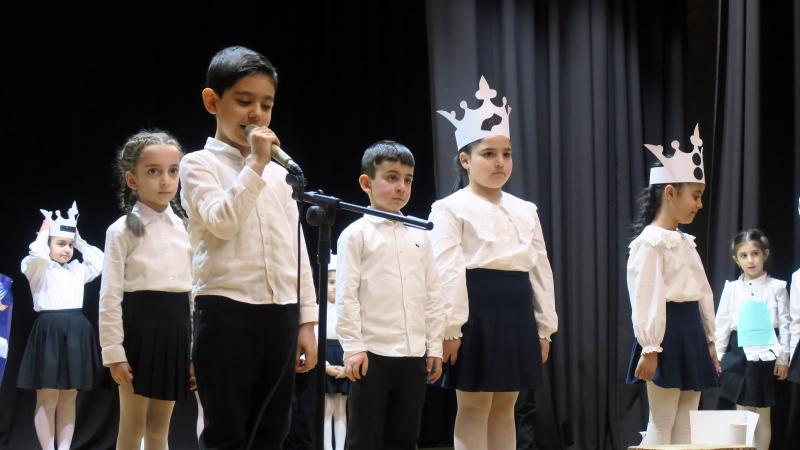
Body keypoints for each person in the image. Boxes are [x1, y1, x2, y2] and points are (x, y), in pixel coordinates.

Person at [179, 45, 318, 449]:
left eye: (266, 105)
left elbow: (297, 249)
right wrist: (255, 164)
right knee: (227, 432)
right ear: (212, 101)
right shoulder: (198, 164)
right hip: (226, 311)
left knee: (273, 430)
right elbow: (222, 221)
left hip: (281, 312)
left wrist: (306, 321)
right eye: (244, 101)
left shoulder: (278, 175)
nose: (256, 114)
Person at [428, 76, 558, 450]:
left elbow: (540, 269)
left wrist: (544, 327)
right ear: (465, 160)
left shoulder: (525, 209)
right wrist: (450, 328)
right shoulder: (450, 208)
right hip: (475, 310)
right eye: (488, 154)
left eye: (507, 153)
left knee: (506, 406)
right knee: (473, 406)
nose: (500, 162)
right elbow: (447, 270)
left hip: (516, 310)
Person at [336, 140, 445, 449]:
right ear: (366, 183)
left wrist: (434, 347)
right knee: (365, 438)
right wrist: (353, 347)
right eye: (392, 177)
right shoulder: (355, 235)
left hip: (413, 353)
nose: (401, 187)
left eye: (408, 180)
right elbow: (346, 295)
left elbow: (432, 293)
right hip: (372, 353)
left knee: (405, 438)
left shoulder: (420, 234)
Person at [625, 125, 720, 444]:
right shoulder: (650, 244)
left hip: (691, 332)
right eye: (696, 196)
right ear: (670, 192)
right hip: (665, 335)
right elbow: (646, 297)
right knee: (662, 420)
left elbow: (703, 292)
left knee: (687, 423)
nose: (699, 204)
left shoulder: (684, 241)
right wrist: (650, 347)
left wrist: (710, 340)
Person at [99, 130, 193, 449]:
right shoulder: (121, 230)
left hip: (176, 331)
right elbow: (110, 296)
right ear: (133, 179)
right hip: (138, 331)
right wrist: (114, 352)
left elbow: (194, 294)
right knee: (132, 426)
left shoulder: (186, 228)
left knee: (159, 429)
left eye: (173, 171)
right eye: (153, 171)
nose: (165, 181)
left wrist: (193, 349)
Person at [17, 202, 104, 450]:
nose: (67, 250)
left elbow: (100, 261)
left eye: (69, 245)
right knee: (47, 396)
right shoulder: (37, 267)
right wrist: (44, 234)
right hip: (50, 332)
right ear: (48, 244)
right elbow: (38, 254)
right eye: (61, 244)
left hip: (76, 331)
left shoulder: (77, 270)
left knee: (69, 396)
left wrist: (80, 242)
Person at [715, 229, 790, 450]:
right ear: (736, 259)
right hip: (739, 355)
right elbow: (722, 325)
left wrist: (783, 358)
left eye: (755, 253)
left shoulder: (777, 287)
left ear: (765, 254)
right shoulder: (731, 289)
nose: (750, 260)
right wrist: (717, 357)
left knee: (763, 413)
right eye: (744, 255)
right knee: (743, 414)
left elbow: (785, 324)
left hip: (767, 355)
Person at [323, 253, 348, 450]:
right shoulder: (318, 309)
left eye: (338, 282)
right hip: (325, 357)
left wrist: (347, 366)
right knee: (327, 408)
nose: (334, 287)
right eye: (331, 282)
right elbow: (314, 340)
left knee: (341, 407)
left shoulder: (348, 311)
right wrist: (325, 366)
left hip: (344, 355)